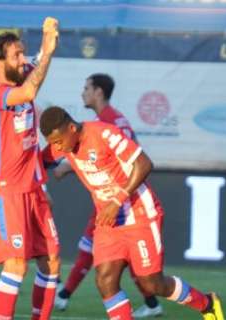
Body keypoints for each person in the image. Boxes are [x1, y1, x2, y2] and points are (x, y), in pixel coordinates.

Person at [39, 106, 225, 320]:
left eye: (58, 141)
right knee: (105, 280)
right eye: (53, 143)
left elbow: (144, 163)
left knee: (152, 284)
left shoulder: (104, 134)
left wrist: (117, 200)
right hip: (108, 223)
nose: (57, 147)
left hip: (140, 214)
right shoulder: (63, 145)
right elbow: (34, 163)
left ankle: (207, 303)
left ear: (72, 128)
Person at [53, 73, 164, 318]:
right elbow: (90, 157)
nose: (83, 93)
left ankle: (63, 295)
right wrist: (63, 166)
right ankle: (152, 302)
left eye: (86, 88)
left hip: (122, 200)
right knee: (104, 267)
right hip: (107, 196)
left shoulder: (111, 123)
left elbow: (129, 160)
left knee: (94, 252)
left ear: (99, 92)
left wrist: (117, 198)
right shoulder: (95, 123)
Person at [0, 17, 61, 320]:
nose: (23, 60)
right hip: (8, 191)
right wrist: (47, 52)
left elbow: (36, 65)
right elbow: (28, 93)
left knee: (51, 262)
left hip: (35, 188)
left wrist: (46, 43)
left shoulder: (22, 73)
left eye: (23, 53)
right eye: (16, 55)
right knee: (16, 265)